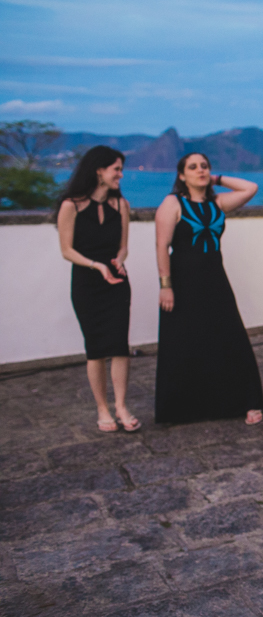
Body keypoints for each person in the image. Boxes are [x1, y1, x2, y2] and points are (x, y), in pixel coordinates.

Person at [155, 153, 263, 425]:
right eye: (193, 167)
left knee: (229, 338)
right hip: (182, 281)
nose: (200, 170)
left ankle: (245, 401)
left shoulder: (218, 203)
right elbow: (161, 247)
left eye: (204, 166)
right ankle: (186, 408)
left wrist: (215, 179)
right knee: (185, 342)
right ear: (181, 175)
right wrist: (165, 286)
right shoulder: (173, 203)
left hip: (215, 279)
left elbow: (250, 188)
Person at [56, 146, 140, 433]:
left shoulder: (121, 205)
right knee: (95, 349)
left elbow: (124, 246)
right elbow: (66, 250)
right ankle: (102, 409)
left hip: (117, 282)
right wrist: (97, 265)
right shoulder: (72, 205)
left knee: (119, 346)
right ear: (99, 171)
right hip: (87, 282)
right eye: (116, 169)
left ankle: (121, 406)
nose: (121, 174)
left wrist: (118, 260)